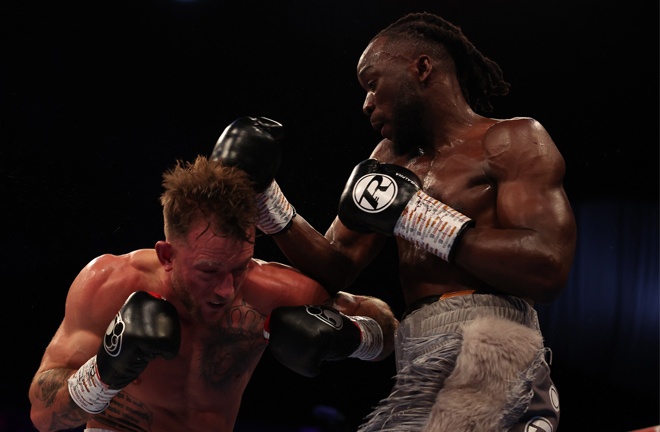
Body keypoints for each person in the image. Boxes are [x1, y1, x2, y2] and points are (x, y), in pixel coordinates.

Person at [212, 11, 577, 432]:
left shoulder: (511, 139)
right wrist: (265, 198)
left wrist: (416, 217)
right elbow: (336, 264)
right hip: (419, 353)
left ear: (421, 68)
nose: (365, 102)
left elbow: (548, 266)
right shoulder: (388, 160)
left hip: (493, 346)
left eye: (373, 83)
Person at [28, 155, 398, 432]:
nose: (225, 289)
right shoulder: (110, 283)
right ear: (167, 255)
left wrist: (354, 337)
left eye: (240, 267)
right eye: (209, 270)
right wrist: (106, 370)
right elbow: (43, 415)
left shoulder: (273, 291)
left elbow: (388, 331)